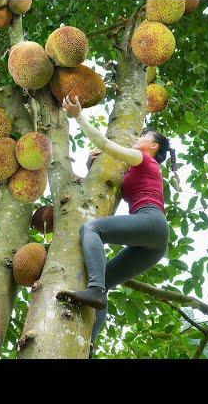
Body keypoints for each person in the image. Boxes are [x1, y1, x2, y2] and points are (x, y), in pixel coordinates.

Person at [56, 95, 178, 358]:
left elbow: (103, 142)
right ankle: (88, 346)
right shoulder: (136, 170)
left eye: (144, 134)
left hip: (151, 221)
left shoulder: (143, 159)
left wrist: (78, 115)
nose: (139, 136)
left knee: (92, 229)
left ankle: (95, 290)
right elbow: (108, 186)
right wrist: (92, 164)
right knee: (107, 280)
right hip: (153, 245)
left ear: (153, 146)